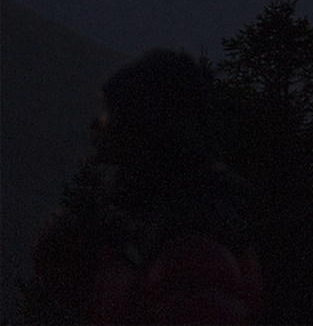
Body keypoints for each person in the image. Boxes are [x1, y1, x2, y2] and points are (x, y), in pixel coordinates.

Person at [34, 51, 265, 325]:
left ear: (146, 131)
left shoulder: (189, 252)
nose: (105, 136)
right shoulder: (177, 224)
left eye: (116, 120)